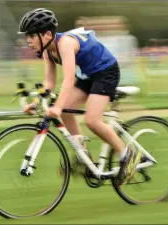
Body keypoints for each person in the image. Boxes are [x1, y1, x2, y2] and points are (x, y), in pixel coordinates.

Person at [18, 8, 138, 185]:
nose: (28, 40)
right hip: (88, 76)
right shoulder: (47, 51)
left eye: (32, 35)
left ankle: (127, 155)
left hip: (106, 72)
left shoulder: (65, 44)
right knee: (66, 111)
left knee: (92, 120)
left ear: (47, 34)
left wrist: (57, 106)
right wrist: (35, 102)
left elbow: (68, 78)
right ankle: (83, 156)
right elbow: (49, 84)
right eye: (27, 36)